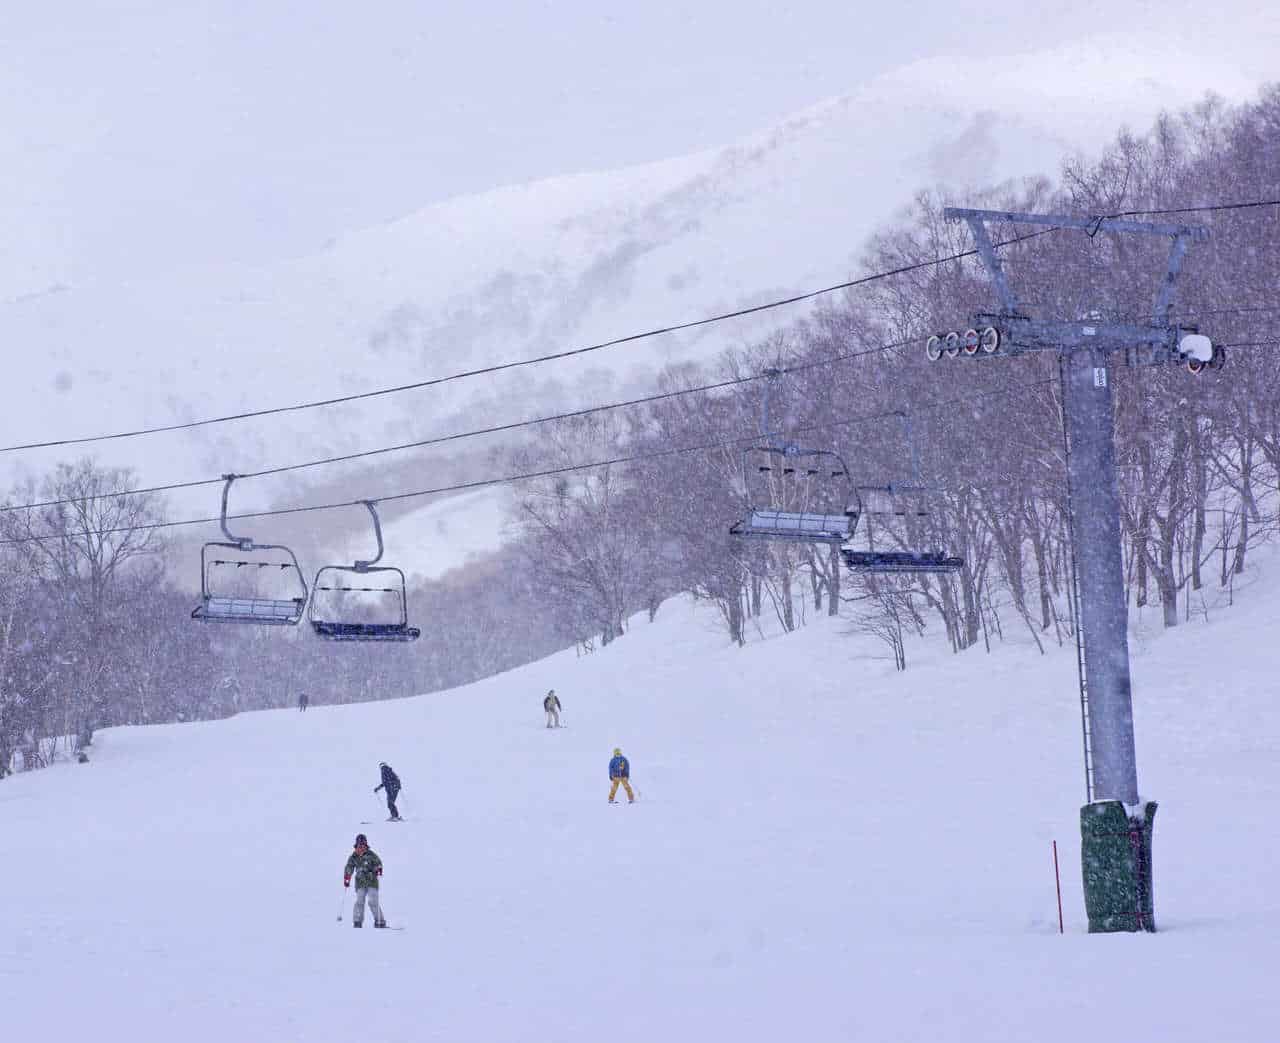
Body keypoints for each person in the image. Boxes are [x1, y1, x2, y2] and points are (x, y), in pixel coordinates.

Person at [343, 833, 387, 928]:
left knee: (372, 901)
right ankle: (357, 921)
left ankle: (380, 920)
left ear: (366, 845)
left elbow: (378, 863)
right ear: (356, 846)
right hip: (360, 882)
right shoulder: (354, 857)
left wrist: (378, 869)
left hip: (372, 881)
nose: (361, 848)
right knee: (359, 901)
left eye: (363, 846)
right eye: (359, 846)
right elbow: (349, 867)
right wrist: (347, 877)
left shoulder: (371, 855)